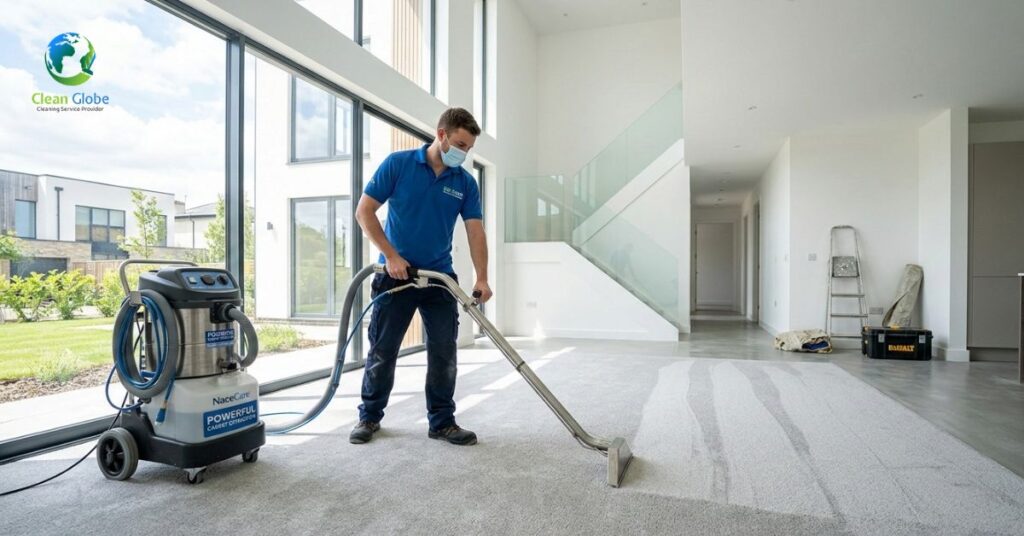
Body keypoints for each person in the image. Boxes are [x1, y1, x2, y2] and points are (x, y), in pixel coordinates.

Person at [349, 108, 492, 446]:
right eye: (459, 143)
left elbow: (475, 232)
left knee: (444, 352)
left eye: (469, 148)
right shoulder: (398, 164)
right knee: (383, 350)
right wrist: (392, 256)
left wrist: (482, 277)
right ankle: (369, 417)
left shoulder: (464, 183)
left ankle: (442, 421)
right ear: (440, 134)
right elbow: (364, 211)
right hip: (395, 277)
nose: (463, 152)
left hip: (439, 279)